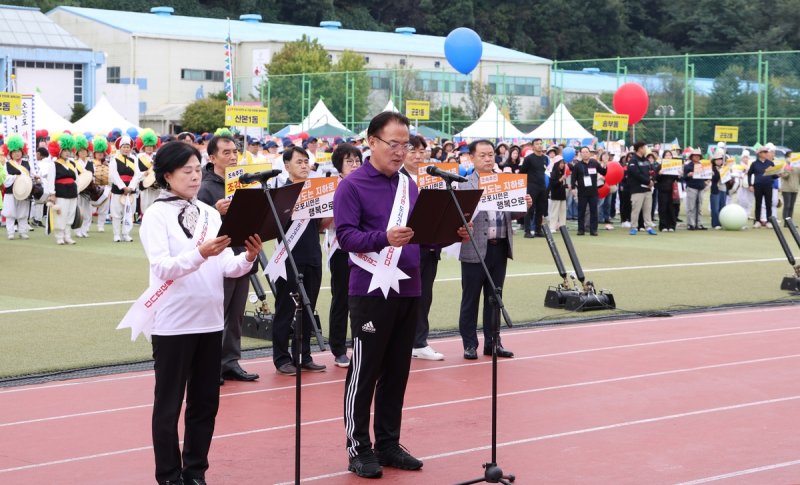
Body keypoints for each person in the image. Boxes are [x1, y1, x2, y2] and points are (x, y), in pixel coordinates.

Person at [140, 140, 262, 485]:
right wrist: (201, 253)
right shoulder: (155, 215)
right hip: (173, 324)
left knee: (205, 404)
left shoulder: (211, 214)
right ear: (168, 176)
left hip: (210, 322)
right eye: (187, 171)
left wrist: (249, 258)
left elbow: (228, 267)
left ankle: (195, 471)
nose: (195, 177)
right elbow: (163, 267)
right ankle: (168, 475)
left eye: (197, 170)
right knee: (168, 407)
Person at [334, 111, 429, 478]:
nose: (400, 151)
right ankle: (358, 447)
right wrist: (383, 238)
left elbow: (420, 233)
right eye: (394, 143)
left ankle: (388, 443)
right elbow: (346, 237)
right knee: (365, 370)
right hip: (371, 289)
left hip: (409, 287)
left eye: (406, 144)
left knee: (397, 371)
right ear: (371, 141)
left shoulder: (410, 185)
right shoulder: (353, 186)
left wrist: (452, 232)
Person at [458, 139, 532, 361]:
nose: (488, 158)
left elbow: (513, 215)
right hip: (474, 248)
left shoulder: (505, 182)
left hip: (499, 247)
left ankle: (493, 342)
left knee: (495, 297)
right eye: (483, 155)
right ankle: (470, 344)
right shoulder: (463, 185)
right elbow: (457, 218)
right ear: (471, 158)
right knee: (470, 299)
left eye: (491, 154)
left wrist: (524, 205)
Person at [197, 135, 260, 384]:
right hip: (216, 258)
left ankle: (230, 361)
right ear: (212, 158)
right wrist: (215, 209)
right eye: (226, 152)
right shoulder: (204, 187)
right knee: (216, 313)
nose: (233, 156)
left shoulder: (243, 182)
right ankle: (209, 364)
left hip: (242, 251)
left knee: (236, 314)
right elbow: (197, 226)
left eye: (235, 151)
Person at [270, 146, 328, 376]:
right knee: (286, 309)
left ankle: (303, 355)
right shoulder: (280, 192)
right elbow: (275, 226)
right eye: (299, 162)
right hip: (288, 258)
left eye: (306, 162)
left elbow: (321, 226)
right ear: (286, 166)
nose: (304, 166)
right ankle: (282, 358)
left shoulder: (315, 191)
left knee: (308, 308)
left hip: (313, 255)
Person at [401, 135, 445, 361]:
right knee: (404, 298)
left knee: (424, 295)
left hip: (430, 246)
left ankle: (419, 341)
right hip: (405, 248)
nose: (418, 156)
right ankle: (403, 341)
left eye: (421, 152)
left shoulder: (432, 178)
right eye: (412, 151)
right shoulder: (397, 180)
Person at [328, 143, 363, 368]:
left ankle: (360, 344)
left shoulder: (366, 185)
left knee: (362, 300)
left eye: (358, 161)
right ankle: (339, 348)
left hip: (364, 248)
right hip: (340, 250)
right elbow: (324, 222)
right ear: (339, 165)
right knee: (341, 299)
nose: (355, 165)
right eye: (349, 161)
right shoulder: (332, 187)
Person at [48, 135, 81, 245]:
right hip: (61, 192)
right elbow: (51, 179)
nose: (67, 152)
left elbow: (76, 178)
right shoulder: (54, 164)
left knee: (70, 214)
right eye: (65, 150)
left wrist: (77, 190)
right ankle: (59, 236)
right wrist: (52, 193)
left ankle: (67, 236)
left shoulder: (72, 163)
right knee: (61, 214)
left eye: (68, 150)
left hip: (72, 192)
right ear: (59, 151)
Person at [109, 135, 140, 242]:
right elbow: (114, 175)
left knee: (129, 212)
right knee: (116, 212)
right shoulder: (114, 160)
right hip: (118, 189)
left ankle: (126, 233)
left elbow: (137, 174)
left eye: (128, 147)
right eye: (124, 147)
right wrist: (123, 187)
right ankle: (116, 234)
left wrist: (131, 187)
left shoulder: (134, 159)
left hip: (131, 190)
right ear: (120, 147)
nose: (126, 149)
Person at [571, 146, 607, 236]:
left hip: (593, 192)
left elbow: (603, 172)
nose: (585, 154)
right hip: (582, 192)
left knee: (594, 211)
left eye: (587, 152)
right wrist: (572, 188)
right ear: (580, 154)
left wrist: (605, 164)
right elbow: (573, 178)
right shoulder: (577, 165)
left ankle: (593, 230)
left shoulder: (594, 163)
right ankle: (581, 229)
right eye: (583, 152)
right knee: (581, 212)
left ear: (589, 153)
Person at [2, 135, 33, 240]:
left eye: (19, 151)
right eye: (14, 151)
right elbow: (5, 179)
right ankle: (10, 232)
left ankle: (23, 232)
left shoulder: (26, 163)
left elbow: (31, 175)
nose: (17, 153)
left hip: (24, 191)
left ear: (22, 151)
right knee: (10, 213)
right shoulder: (6, 164)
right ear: (10, 153)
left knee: (23, 213)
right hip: (11, 191)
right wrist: (17, 177)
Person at [519, 138, 548, 238]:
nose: (540, 145)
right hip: (532, 186)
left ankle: (538, 230)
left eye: (541, 143)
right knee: (529, 208)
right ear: (533, 146)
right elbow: (522, 172)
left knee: (541, 209)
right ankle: (527, 231)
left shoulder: (545, 158)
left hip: (542, 186)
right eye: (537, 144)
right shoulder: (529, 159)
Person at [627, 142, 657, 236]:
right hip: (637, 189)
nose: (645, 149)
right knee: (636, 210)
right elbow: (636, 174)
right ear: (640, 148)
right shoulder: (633, 160)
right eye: (644, 147)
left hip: (647, 189)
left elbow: (651, 171)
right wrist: (648, 182)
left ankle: (648, 226)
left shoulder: (646, 160)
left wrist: (652, 180)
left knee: (648, 209)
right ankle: (634, 227)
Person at [748, 145, 778, 228]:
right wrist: (750, 185)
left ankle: (769, 221)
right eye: (764, 152)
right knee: (758, 203)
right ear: (759, 154)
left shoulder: (770, 163)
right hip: (758, 186)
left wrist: (779, 174)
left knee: (769, 203)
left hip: (768, 185)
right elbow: (749, 174)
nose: (766, 153)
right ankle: (757, 221)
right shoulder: (754, 164)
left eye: (766, 152)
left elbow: (774, 175)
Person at [74, 135, 95, 238]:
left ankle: (85, 229)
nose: (83, 153)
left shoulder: (91, 163)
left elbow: (93, 176)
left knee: (88, 211)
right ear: (77, 152)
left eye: (85, 151)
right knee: (79, 210)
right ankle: (78, 230)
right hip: (79, 190)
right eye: (81, 151)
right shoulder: (74, 163)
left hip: (88, 191)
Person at [683, 148, 709, 230]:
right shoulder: (688, 166)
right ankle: (691, 224)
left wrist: (708, 177)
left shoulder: (702, 166)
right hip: (691, 187)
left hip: (701, 187)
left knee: (699, 206)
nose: (697, 157)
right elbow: (683, 177)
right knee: (691, 207)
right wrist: (689, 175)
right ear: (692, 157)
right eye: (695, 155)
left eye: (698, 156)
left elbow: (705, 176)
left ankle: (699, 223)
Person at [655, 150, 679, 232]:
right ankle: (663, 226)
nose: (668, 157)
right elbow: (655, 178)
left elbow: (678, 179)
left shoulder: (675, 166)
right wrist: (659, 173)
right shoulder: (660, 166)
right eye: (666, 155)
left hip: (672, 190)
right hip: (662, 190)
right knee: (663, 208)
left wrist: (679, 175)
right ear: (663, 157)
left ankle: (672, 225)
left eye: (670, 155)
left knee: (672, 208)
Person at [138, 129, 161, 215]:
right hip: (144, 184)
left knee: (155, 205)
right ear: (144, 147)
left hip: (156, 185)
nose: (149, 148)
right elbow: (136, 172)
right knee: (145, 205)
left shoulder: (157, 156)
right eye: (147, 146)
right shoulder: (139, 157)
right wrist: (144, 174)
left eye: (151, 146)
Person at [548, 155, 568, 231]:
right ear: (557, 164)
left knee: (563, 212)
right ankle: (552, 227)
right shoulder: (553, 173)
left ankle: (562, 227)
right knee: (554, 213)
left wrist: (566, 185)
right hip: (555, 195)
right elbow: (553, 184)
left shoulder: (562, 173)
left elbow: (561, 185)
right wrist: (561, 179)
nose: (562, 165)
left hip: (562, 195)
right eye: (561, 163)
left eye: (563, 163)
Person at [709, 149, 728, 230]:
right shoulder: (712, 169)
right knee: (715, 208)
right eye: (717, 159)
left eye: (720, 159)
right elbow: (714, 179)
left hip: (723, 189)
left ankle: (722, 222)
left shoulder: (725, 168)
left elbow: (727, 179)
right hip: (715, 189)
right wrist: (721, 172)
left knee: (722, 207)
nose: (719, 161)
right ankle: (715, 223)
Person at [780, 150, 799, 226]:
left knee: (791, 206)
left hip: (795, 188)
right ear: (786, 158)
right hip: (786, 188)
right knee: (787, 205)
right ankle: (786, 222)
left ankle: (790, 222)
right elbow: (784, 176)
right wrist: (788, 169)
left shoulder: (797, 166)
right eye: (790, 157)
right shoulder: (785, 165)